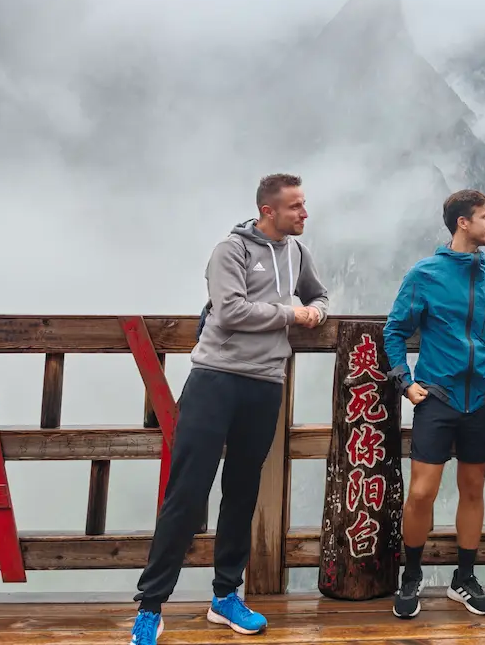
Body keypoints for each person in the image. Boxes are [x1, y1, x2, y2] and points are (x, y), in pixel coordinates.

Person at [130, 173, 329, 645]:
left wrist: (316, 310)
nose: (305, 214)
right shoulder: (231, 250)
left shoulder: (297, 253)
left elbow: (317, 293)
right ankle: (151, 606)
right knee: (188, 490)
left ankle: (225, 597)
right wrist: (291, 314)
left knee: (242, 491)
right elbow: (230, 312)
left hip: (264, 384)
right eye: (297, 207)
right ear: (269, 211)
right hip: (215, 379)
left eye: (304, 205)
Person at [383, 189, 485, 620]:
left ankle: (464, 578)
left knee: (473, 490)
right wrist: (405, 382)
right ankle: (411, 576)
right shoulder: (424, 274)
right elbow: (394, 331)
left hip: (482, 398)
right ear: (463, 223)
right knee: (422, 492)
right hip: (437, 396)